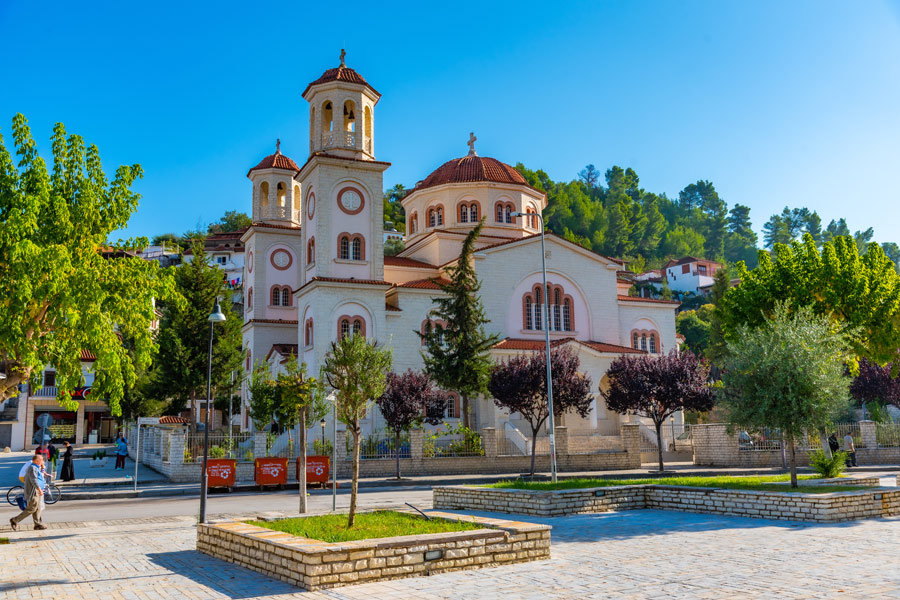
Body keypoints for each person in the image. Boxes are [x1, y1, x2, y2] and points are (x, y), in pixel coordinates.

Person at [9, 454, 48, 531]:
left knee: (38, 508)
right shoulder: (32, 468)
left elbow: (40, 477)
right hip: (33, 491)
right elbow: (34, 480)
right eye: (42, 460)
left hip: (37, 490)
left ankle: (37, 525)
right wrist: (39, 489)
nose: (43, 461)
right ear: (37, 461)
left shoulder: (36, 468)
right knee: (32, 508)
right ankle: (15, 520)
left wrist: (43, 468)